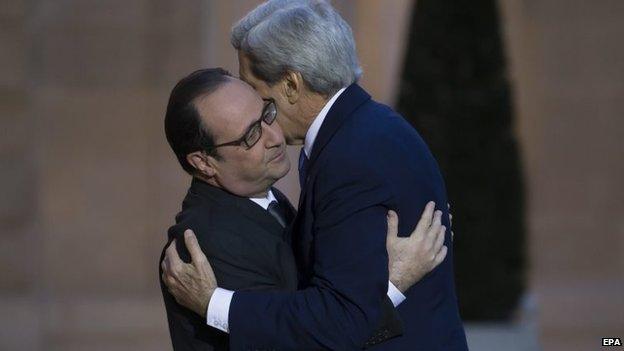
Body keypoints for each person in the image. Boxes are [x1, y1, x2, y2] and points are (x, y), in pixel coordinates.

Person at [163, 0, 468, 349]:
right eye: (251, 131)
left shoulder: (349, 159)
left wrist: (213, 304)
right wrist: (391, 282)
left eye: (263, 103)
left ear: (292, 86)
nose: (270, 130)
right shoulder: (377, 127)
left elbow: (339, 317)